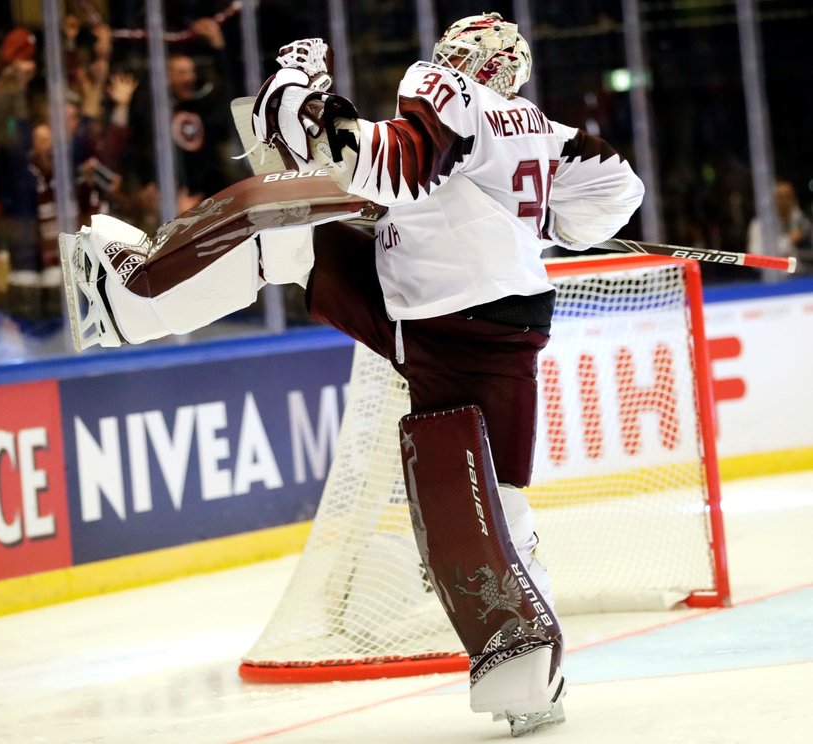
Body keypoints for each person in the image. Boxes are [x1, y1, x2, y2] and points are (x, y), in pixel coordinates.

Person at [61, 13, 642, 736]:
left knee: (289, 239)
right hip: (513, 321)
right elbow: (617, 194)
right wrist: (536, 216)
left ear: (464, 60)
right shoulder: (548, 132)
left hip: (441, 310)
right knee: (498, 494)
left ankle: (128, 302)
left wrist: (307, 104)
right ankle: (526, 671)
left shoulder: (443, 86)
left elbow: (393, 162)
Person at [746, 179, 812, 278]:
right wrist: (788, 241)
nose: (784, 202)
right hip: (775, 279)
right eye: (780, 198)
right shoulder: (759, 225)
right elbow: (755, 260)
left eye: (788, 197)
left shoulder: (803, 220)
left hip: (805, 275)